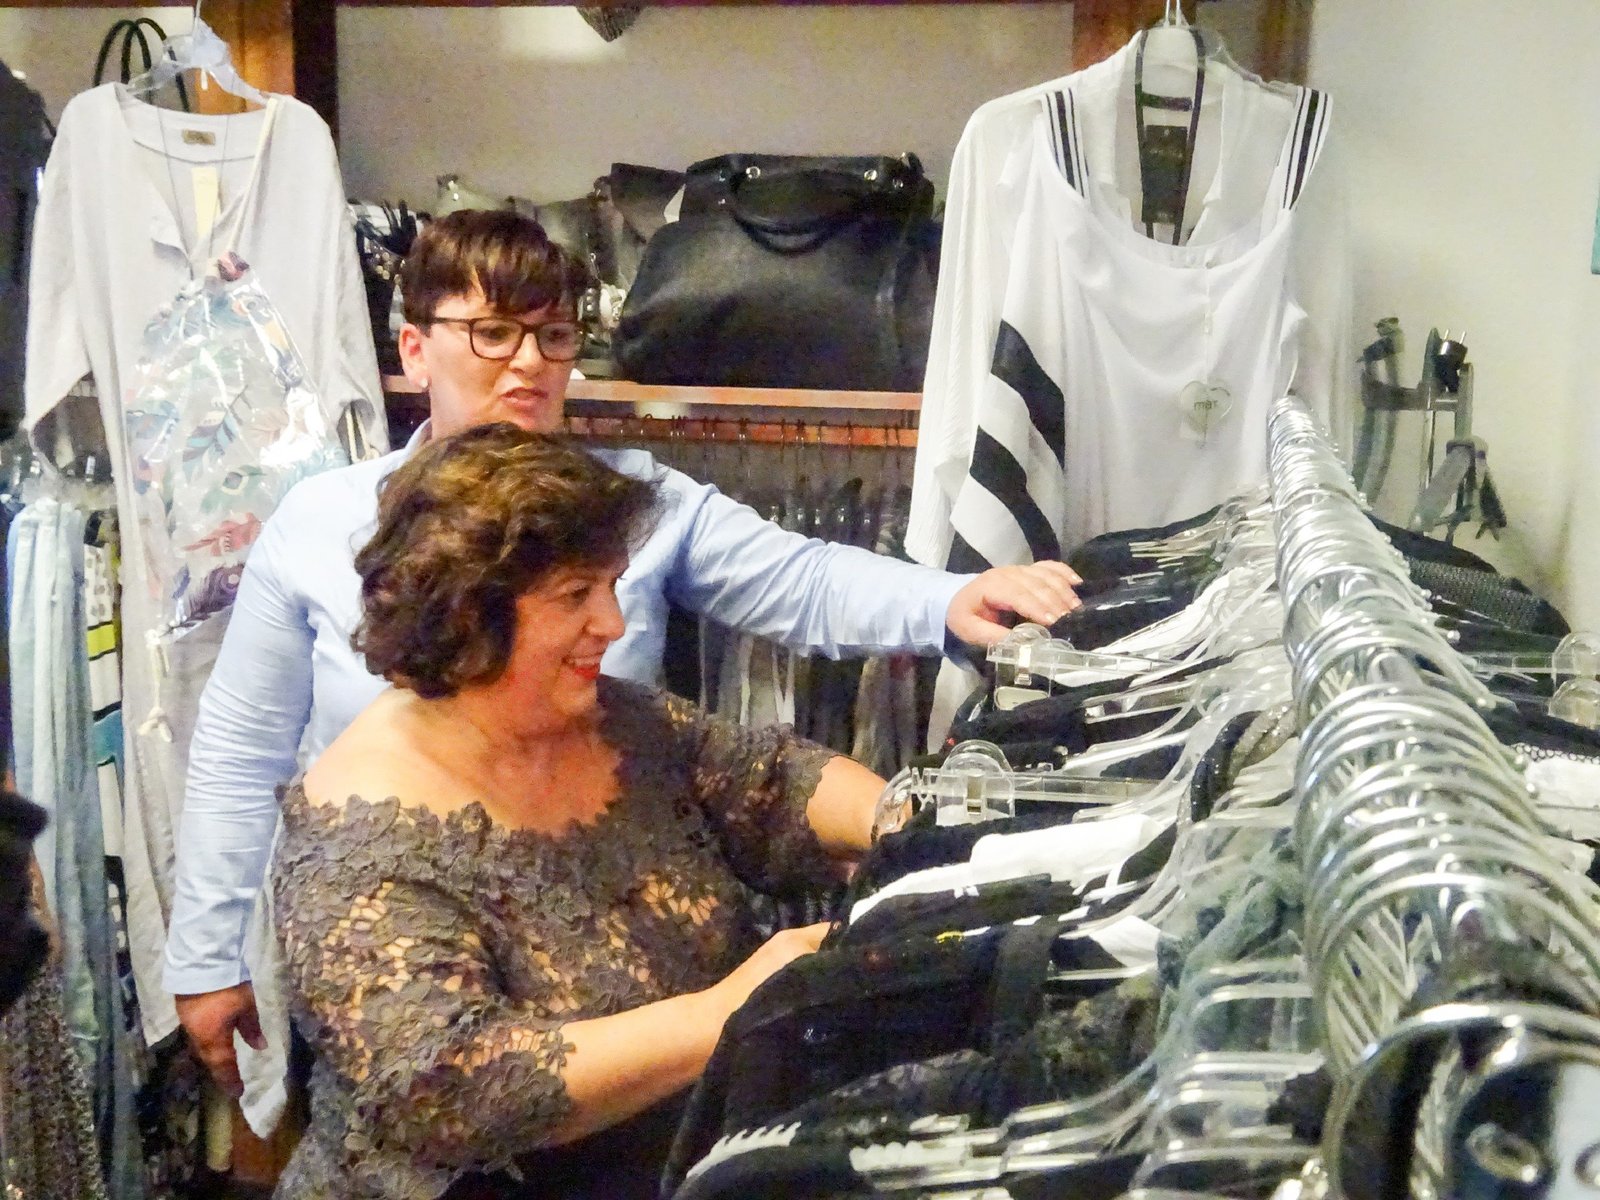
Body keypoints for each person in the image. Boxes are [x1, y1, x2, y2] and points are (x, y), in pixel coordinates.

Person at [166, 209, 1083, 1100]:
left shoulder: (635, 504)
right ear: (415, 348)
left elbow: (796, 593)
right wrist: (208, 955)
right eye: (493, 333)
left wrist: (947, 605)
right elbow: (243, 749)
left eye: (553, 335)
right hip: (408, 944)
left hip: (621, 952)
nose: (529, 361)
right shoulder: (320, 523)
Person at [273, 424, 880, 1199]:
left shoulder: (612, 721)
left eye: (611, 586)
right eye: (574, 596)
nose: (613, 624)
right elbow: (456, 1091)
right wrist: (731, 1009)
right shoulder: (357, 836)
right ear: (467, 612)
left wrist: (905, 820)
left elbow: (772, 779)